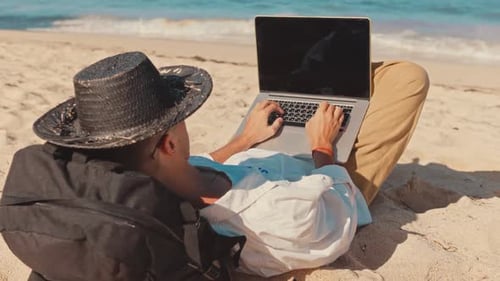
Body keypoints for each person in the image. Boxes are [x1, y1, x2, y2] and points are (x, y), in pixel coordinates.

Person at [2, 51, 429, 278]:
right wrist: (321, 149)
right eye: (179, 118)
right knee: (407, 76)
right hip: (327, 180)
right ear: (169, 142)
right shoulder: (281, 216)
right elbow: (334, 209)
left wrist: (244, 140)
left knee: (309, 75)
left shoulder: (150, 184)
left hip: (255, 157)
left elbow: (197, 164)